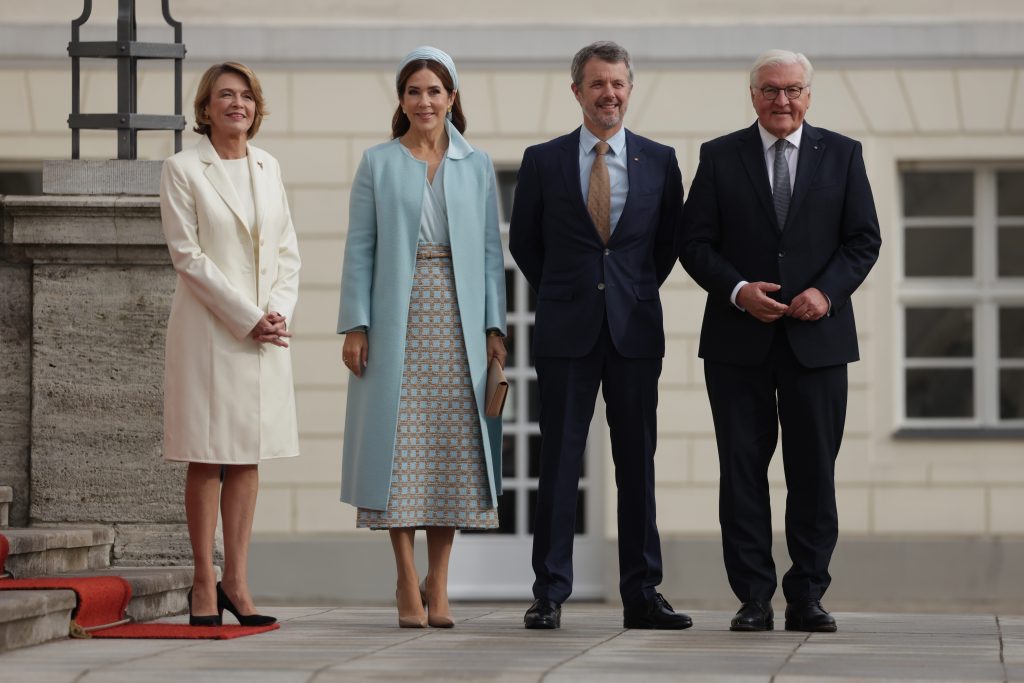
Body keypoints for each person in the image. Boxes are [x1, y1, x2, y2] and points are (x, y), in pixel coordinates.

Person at [679, 49, 881, 633]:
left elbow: (863, 240)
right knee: (741, 471)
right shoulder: (719, 157)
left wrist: (828, 293)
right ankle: (753, 598)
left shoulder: (843, 155)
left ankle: (807, 595)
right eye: (770, 90)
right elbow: (694, 243)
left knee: (813, 471)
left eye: (793, 90)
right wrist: (738, 289)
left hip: (818, 341)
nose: (782, 100)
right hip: (738, 342)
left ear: (809, 95)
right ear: (753, 95)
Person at [509, 41, 689, 631]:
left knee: (637, 462)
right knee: (559, 461)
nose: (608, 94)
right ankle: (549, 593)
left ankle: (642, 594)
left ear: (629, 90)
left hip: (635, 330)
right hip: (567, 331)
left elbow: (667, 247)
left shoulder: (660, 162)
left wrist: (627, 289)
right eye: (596, 84)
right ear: (577, 91)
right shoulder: (543, 160)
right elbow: (526, 245)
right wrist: (571, 289)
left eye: (617, 84)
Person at [337, 47, 507, 629]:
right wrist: (356, 324)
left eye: (435, 91)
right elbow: (360, 247)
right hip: (394, 317)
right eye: (414, 91)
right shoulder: (377, 162)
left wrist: (494, 329)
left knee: (451, 454)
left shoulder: (476, 163)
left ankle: (440, 582)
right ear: (402, 100)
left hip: (459, 319)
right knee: (397, 454)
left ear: (452, 98)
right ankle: (407, 580)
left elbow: (490, 254)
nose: (425, 101)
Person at [160, 61, 301, 627]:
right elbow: (187, 256)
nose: (237, 103)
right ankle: (202, 581)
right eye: (225, 95)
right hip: (210, 331)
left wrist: (277, 314)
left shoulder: (269, 167)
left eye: (246, 96)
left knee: (248, 454)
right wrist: (247, 317)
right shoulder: (182, 168)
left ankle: (237, 584)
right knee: (208, 451)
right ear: (206, 108)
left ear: (255, 107)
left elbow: (287, 251)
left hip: (267, 332)